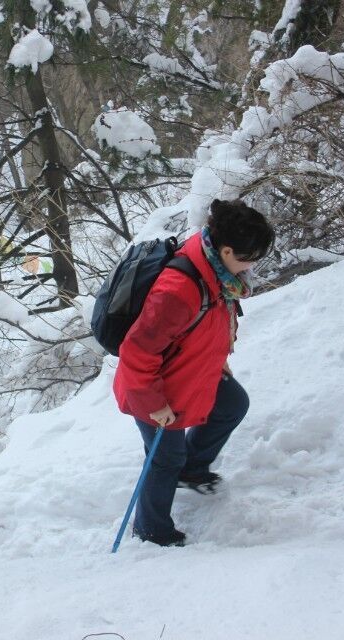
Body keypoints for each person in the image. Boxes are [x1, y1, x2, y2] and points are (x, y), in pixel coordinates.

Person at [113, 199, 275, 547]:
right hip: (152, 387)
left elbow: (208, 323)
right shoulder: (178, 289)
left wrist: (217, 358)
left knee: (231, 403)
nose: (253, 266)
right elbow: (136, 352)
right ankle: (151, 530)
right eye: (250, 257)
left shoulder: (215, 269)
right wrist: (154, 404)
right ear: (227, 249)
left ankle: (192, 468)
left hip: (190, 370)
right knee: (164, 457)